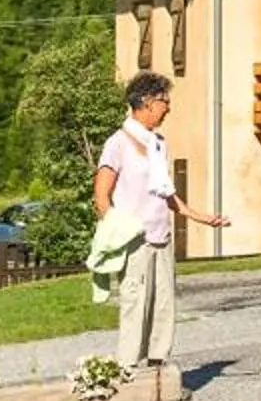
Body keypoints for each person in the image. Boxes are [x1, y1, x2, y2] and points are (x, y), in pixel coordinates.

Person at [92, 71, 227, 380]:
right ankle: (127, 371)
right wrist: (116, 230)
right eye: (165, 101)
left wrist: (198, 216)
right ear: (147, 102)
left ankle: (158, 371)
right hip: (134, 239)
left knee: (163, 305)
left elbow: (165, 192)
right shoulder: (118, 144)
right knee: (136, 304)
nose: (169, 108)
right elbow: (101, 194)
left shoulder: (158, 144)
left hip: (161, 236)